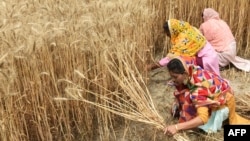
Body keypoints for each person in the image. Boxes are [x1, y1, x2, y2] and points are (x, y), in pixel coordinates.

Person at [163, 57, 250, 136]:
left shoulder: (198, 89)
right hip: (221, 95)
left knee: (195, 117)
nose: (173, 80)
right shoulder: (189, 67)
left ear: (185, 73)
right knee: (185, 96)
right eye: (171, 76)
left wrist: (177, 127)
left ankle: (218, 119)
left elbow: (203, 118)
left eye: (175, 77)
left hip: (223, 104)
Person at [147, 19, 220, 76]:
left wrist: (150, 67)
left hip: (207, 61)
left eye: (167, 33)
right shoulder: (189, 29)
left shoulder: (183, 40)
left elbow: (170, 58)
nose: (167, 35)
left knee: (181, 60)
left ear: (173, 31)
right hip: (213, 57)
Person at [199, 8, 250, 72]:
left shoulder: (204, 25)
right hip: (232, 51)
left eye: (203, 16)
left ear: (205, 16)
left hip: (224, 54)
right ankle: (225, 62)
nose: (203, 18)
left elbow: (200, 41)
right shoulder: (222, 22)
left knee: (201, 53)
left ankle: (218, 65)